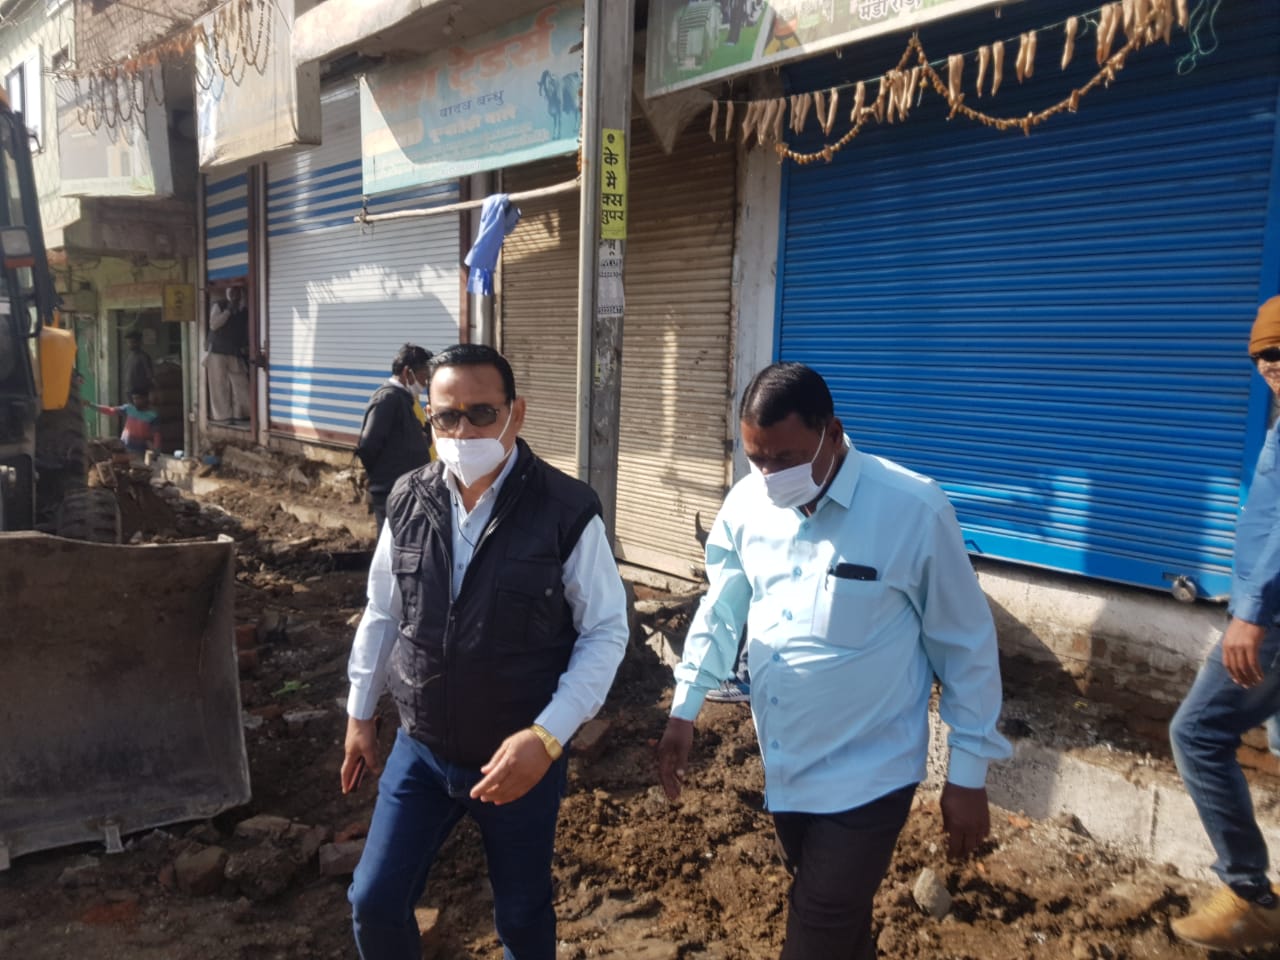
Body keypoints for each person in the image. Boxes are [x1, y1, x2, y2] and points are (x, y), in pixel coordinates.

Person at [657, 362, 1011, 960]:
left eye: (787, 458)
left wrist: (968, 774)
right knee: (839, 926)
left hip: (871, 774)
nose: (771, 476)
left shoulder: (912, 509)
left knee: (818, 926)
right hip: (786, 766)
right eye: (757, 458)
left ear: (833, 432)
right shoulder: (746, 505)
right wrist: (684, 708)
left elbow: (965, 645)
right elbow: (722, 611)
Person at [342, 343, 630, 960]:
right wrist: (360, 712)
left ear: (515, 413)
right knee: (374, 900)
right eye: (447, 416)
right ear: (429, 417)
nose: (463, 431)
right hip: (422, 749)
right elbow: (383, 610)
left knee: (522, 917)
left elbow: (605, 632)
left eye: (481, 414)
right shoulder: (408, 499)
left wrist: (546, 738)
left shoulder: (566, 510)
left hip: (518, 758)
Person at [1169, 295, 1280, 952]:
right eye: (1264, 354)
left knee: (1198, 732)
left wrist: (1253, 614)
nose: (1273, 364)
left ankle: (1248, 895)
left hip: (1272, 619)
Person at [355, 344, 433, 535]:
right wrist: (383, 481)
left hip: (407, 490)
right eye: (423, 376)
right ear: (407, 373)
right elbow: (368, 446)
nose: (425, 383)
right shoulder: (387, 399)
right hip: (391, 492)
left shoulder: (404, 400)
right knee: (391, 543)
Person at [205, 285, 251, 423]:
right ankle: (222, 416)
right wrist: (228, 311)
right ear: (228, 293)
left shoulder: (243, 309)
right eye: (233, 292)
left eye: (238, 292)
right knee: (219, 384)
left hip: (234, 350)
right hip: (217, 350)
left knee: (240, 383)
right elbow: (214, 325)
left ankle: (240, 414)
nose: (235, 295)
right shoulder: (220, 305)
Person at [91, 389, 161, 456]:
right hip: (124, 448)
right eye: (134, 398)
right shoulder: (129, 408)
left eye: (138, 398)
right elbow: (110, 410)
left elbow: (156, 434)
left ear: (145, 398)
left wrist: (156, 450)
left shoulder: (152, 416)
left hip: (140, 451)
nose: (135, 401)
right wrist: (91, 405)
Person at [122, 330, 154, 400]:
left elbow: (150, 376)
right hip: (129, 392)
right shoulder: (129, 356)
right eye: (128, 342)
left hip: (140, 393)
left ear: (139, 342)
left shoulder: (143, 357)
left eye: (132, 342)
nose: (130, 344)